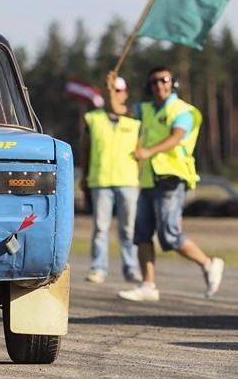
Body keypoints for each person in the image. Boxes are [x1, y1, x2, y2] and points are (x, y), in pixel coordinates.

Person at [106, 67, 224, 301]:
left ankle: (209, 263)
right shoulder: (146, 109)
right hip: (149, 180)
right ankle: (148, 285)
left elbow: (177, 136)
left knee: (169, 235)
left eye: (164, 80)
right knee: (140, 234)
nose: (159, 84)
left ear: (173, 83)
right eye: (154, 82)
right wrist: (111, 90)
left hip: (172, 177)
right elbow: (117, 110)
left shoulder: (184, 110)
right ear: (148, 87)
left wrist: (148, 150)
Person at [80, 77, 142, 284]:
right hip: (101, 180)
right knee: (100, 228)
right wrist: (85, 176)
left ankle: (131, 267)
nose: (114, 93)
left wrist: (137, 178)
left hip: (127, 181)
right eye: (111, 90)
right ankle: (98, 268)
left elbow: (140, 152)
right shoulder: (93, 119)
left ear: (125, 93)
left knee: (129, 229)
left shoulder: (134, 120)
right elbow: (85, 150)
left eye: (118, 90)